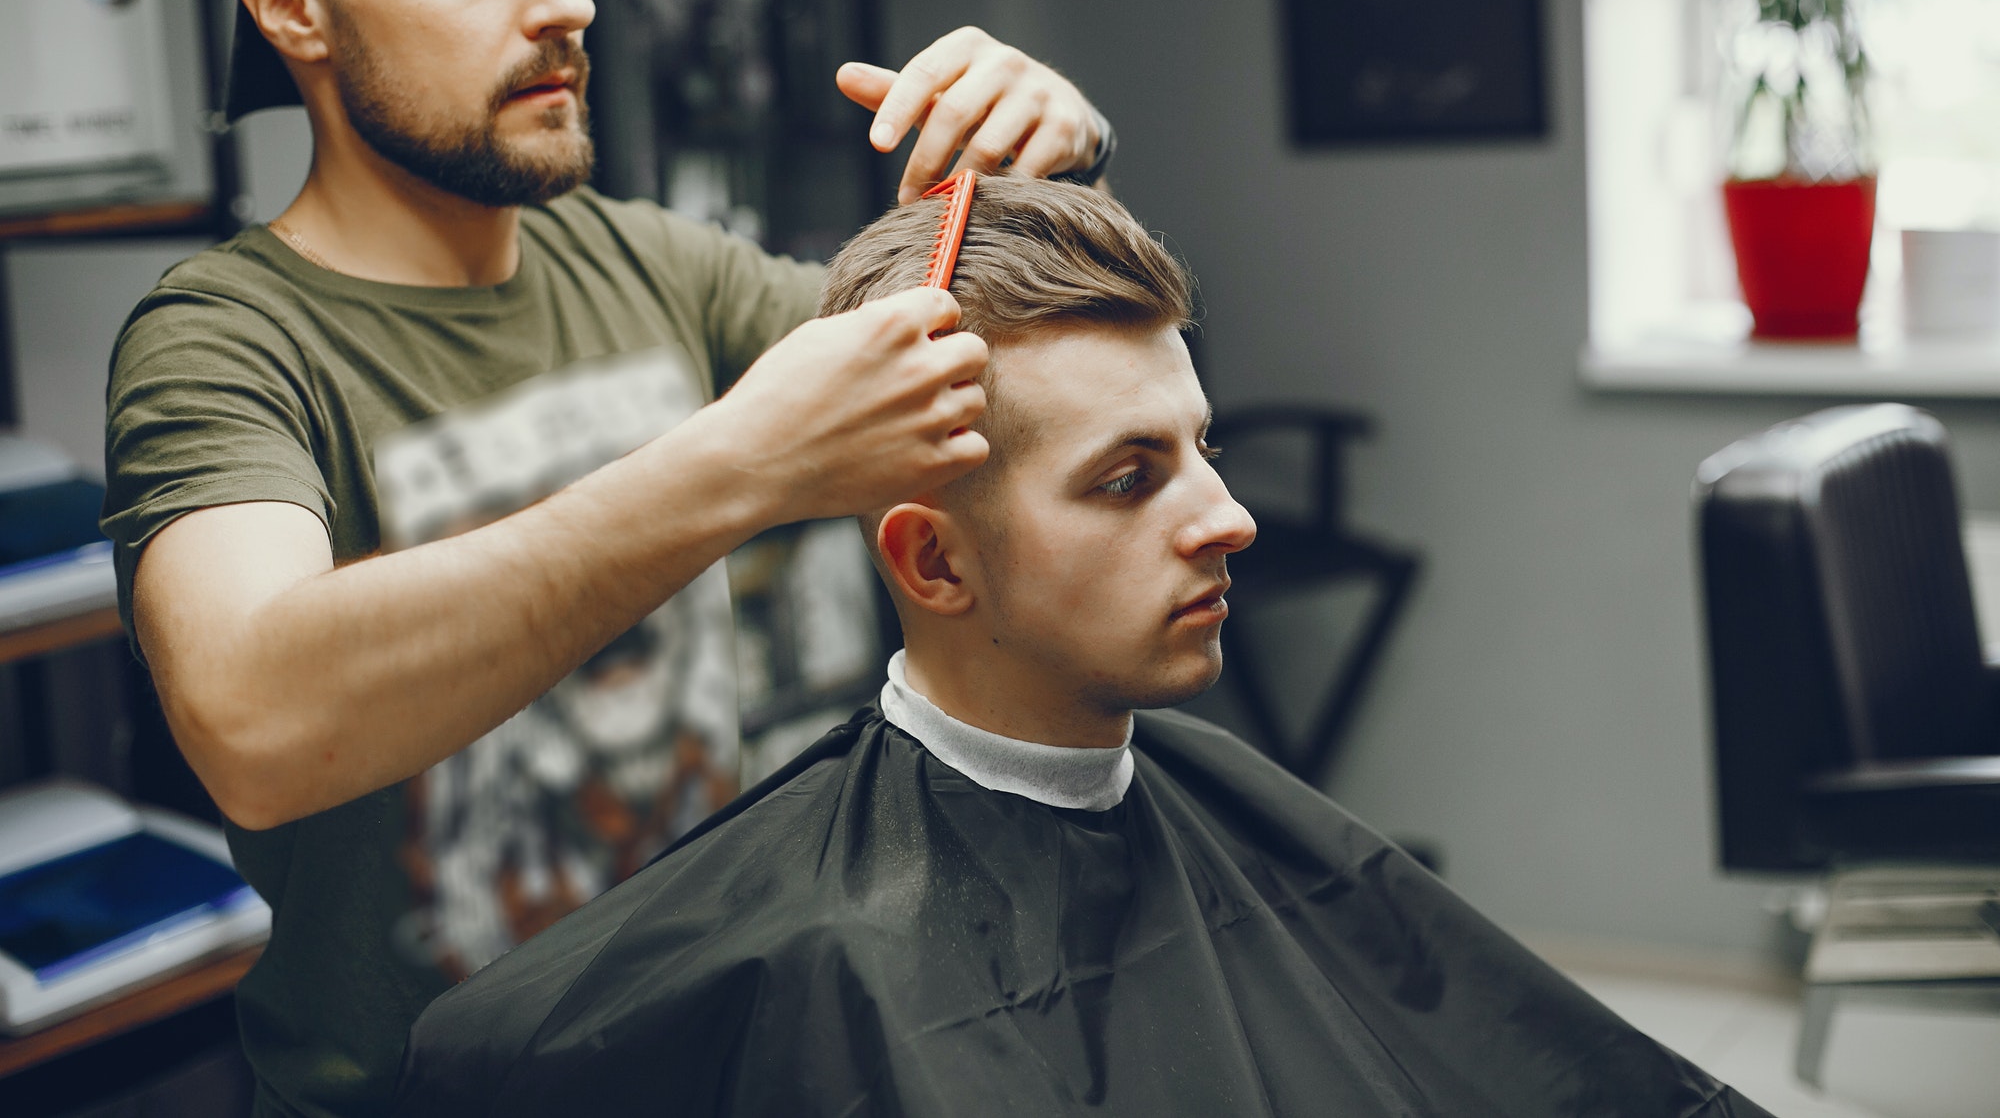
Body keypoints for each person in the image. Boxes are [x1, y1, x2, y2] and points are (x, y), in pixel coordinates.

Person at [102, 0, 1116, 1112]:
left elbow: (1026, 411)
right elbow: (252, 714)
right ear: (290, 3)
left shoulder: (652, 265)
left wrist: (1045, 185)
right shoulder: (225, 339)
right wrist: (739, 463)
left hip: (726, 1060)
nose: (567, 1)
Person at [394, 177, 1775, 1118]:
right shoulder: (827, 963)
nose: (1227, 518)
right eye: (1130, 478)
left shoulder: (1234, 807)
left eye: (1201, 448)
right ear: (933, 559)